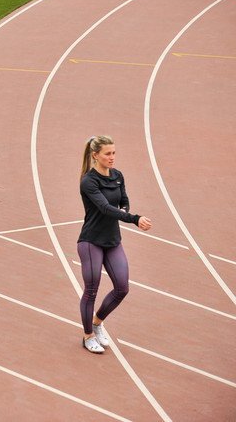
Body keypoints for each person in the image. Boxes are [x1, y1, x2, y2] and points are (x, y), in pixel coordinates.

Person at [77, 136, 152, 354]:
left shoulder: (118, 176)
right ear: (95, 156)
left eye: (114, 153)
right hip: (91, 242)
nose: (112, 157)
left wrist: (127, 210)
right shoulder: (88, 182)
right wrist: (134, 218)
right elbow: (105, 208)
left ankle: (98, 322)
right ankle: (88, 335)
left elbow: (123, 201)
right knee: (91, 289)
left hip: (112, 241)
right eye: (107, 154)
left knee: (122, 287)